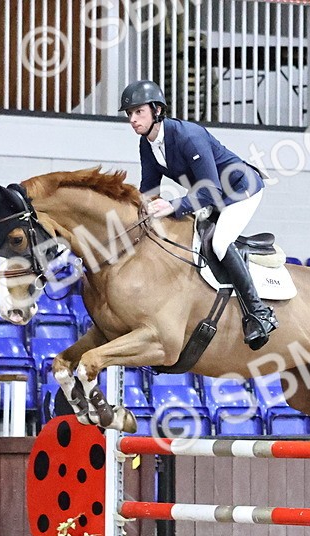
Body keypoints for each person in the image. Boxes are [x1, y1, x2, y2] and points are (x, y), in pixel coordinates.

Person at [121, 80, 278, 351]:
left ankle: (259, 313)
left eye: (139, 112)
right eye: (130, 114)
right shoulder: (147, 144)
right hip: (210, 196)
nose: (133, 120)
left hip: (240, 190)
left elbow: (210, 190)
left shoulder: (188, 136)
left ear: (157, 110)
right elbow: (150, 189)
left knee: (219, 242)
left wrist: (173, 205)